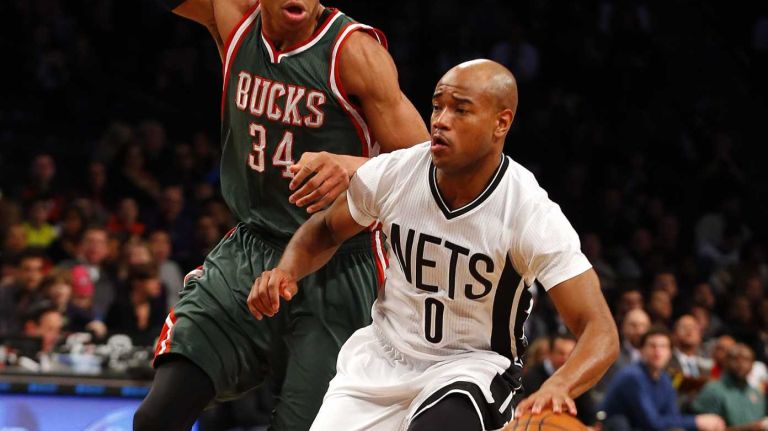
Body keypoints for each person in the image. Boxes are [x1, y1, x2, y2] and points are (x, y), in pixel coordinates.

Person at [247, 59, 618, 431]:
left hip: (470, 369)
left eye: (460, 109)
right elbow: (327, 229)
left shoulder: (528, 211)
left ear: (500, 123)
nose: (440, 119)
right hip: (381, 358)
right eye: (437, 105)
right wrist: (286, 271)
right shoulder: (398, 172)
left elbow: (599, 329)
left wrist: (558, 384)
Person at [134, 0, 429, 430]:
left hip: (341, 265)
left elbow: (427, 167)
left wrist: (353, 167)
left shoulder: (354, 53)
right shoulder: (233, 19)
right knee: (156, 417)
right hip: (250, 251)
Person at [600, 327, 726, 431]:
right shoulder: (633, 376)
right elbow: (652, 422)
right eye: (652, 346)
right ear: (642, 350)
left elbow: (672, 416)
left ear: (670, 353)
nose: (657, 351)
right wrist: (697, 421)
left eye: (663, 346)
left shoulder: (665, 378)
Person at [523, 334, 597, 425]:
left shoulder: (579, 375)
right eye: (561, 353)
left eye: (570, 354)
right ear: (550, 354)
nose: (565, 358)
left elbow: (588, 413)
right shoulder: (531, 376)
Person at [693, 343, 768, 430]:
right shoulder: (713, 390)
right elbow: (703, 428)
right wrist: (749, 428)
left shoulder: (757, 394)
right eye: (735, 358)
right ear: (726, 362)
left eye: (746, 359)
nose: (741, 364)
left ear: (752, 364)